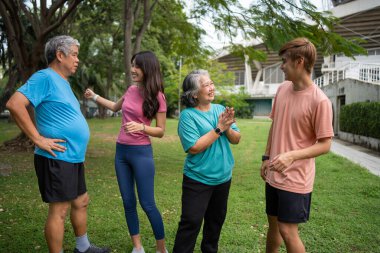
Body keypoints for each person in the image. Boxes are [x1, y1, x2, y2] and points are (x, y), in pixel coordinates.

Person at [6, 35, 109, 253]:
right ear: (59, 55)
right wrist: (37, 138)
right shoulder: (45, 77)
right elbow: (15, 104)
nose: (77, 59)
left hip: (72, 157)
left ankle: (83, 247)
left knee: (81, 201)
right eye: (74, 54)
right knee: (59, 211)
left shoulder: (63, 82)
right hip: (56, 157)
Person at [84, 51, 168, 253]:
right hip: (121, 152)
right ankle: (137, 247)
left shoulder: (158, 96)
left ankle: (161, 249)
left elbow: (161, 131)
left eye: (137, 66)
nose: (133, 70)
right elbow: (114, 107)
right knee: (128, 202)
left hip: (142, 154)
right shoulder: (131, 90)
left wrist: (141, 128)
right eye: (132, 65)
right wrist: (94, 96)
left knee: (147, 204)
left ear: (148, 69)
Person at [260, 38, 334, 253]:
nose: (281, 66)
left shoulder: (320, 101)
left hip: (296, 179)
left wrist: (291, 156)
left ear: (299, 61)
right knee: (273, 226)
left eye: (284, 61)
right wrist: (266, 157)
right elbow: (275, 127)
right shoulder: (282, 89)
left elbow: (325, 144)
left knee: (287, 231)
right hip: (274, 174)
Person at [173, 69, 241, 253]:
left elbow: (236, 139)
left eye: (212, 83)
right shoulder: (188, 116)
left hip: (223, 178)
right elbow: (193, 147)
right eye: (206, 85)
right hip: (197, 179)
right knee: (191, 223)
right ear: (194, 94)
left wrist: (227, 127)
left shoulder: (220, 109)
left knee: (215, 223)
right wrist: (219, 128)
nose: (212, 87)